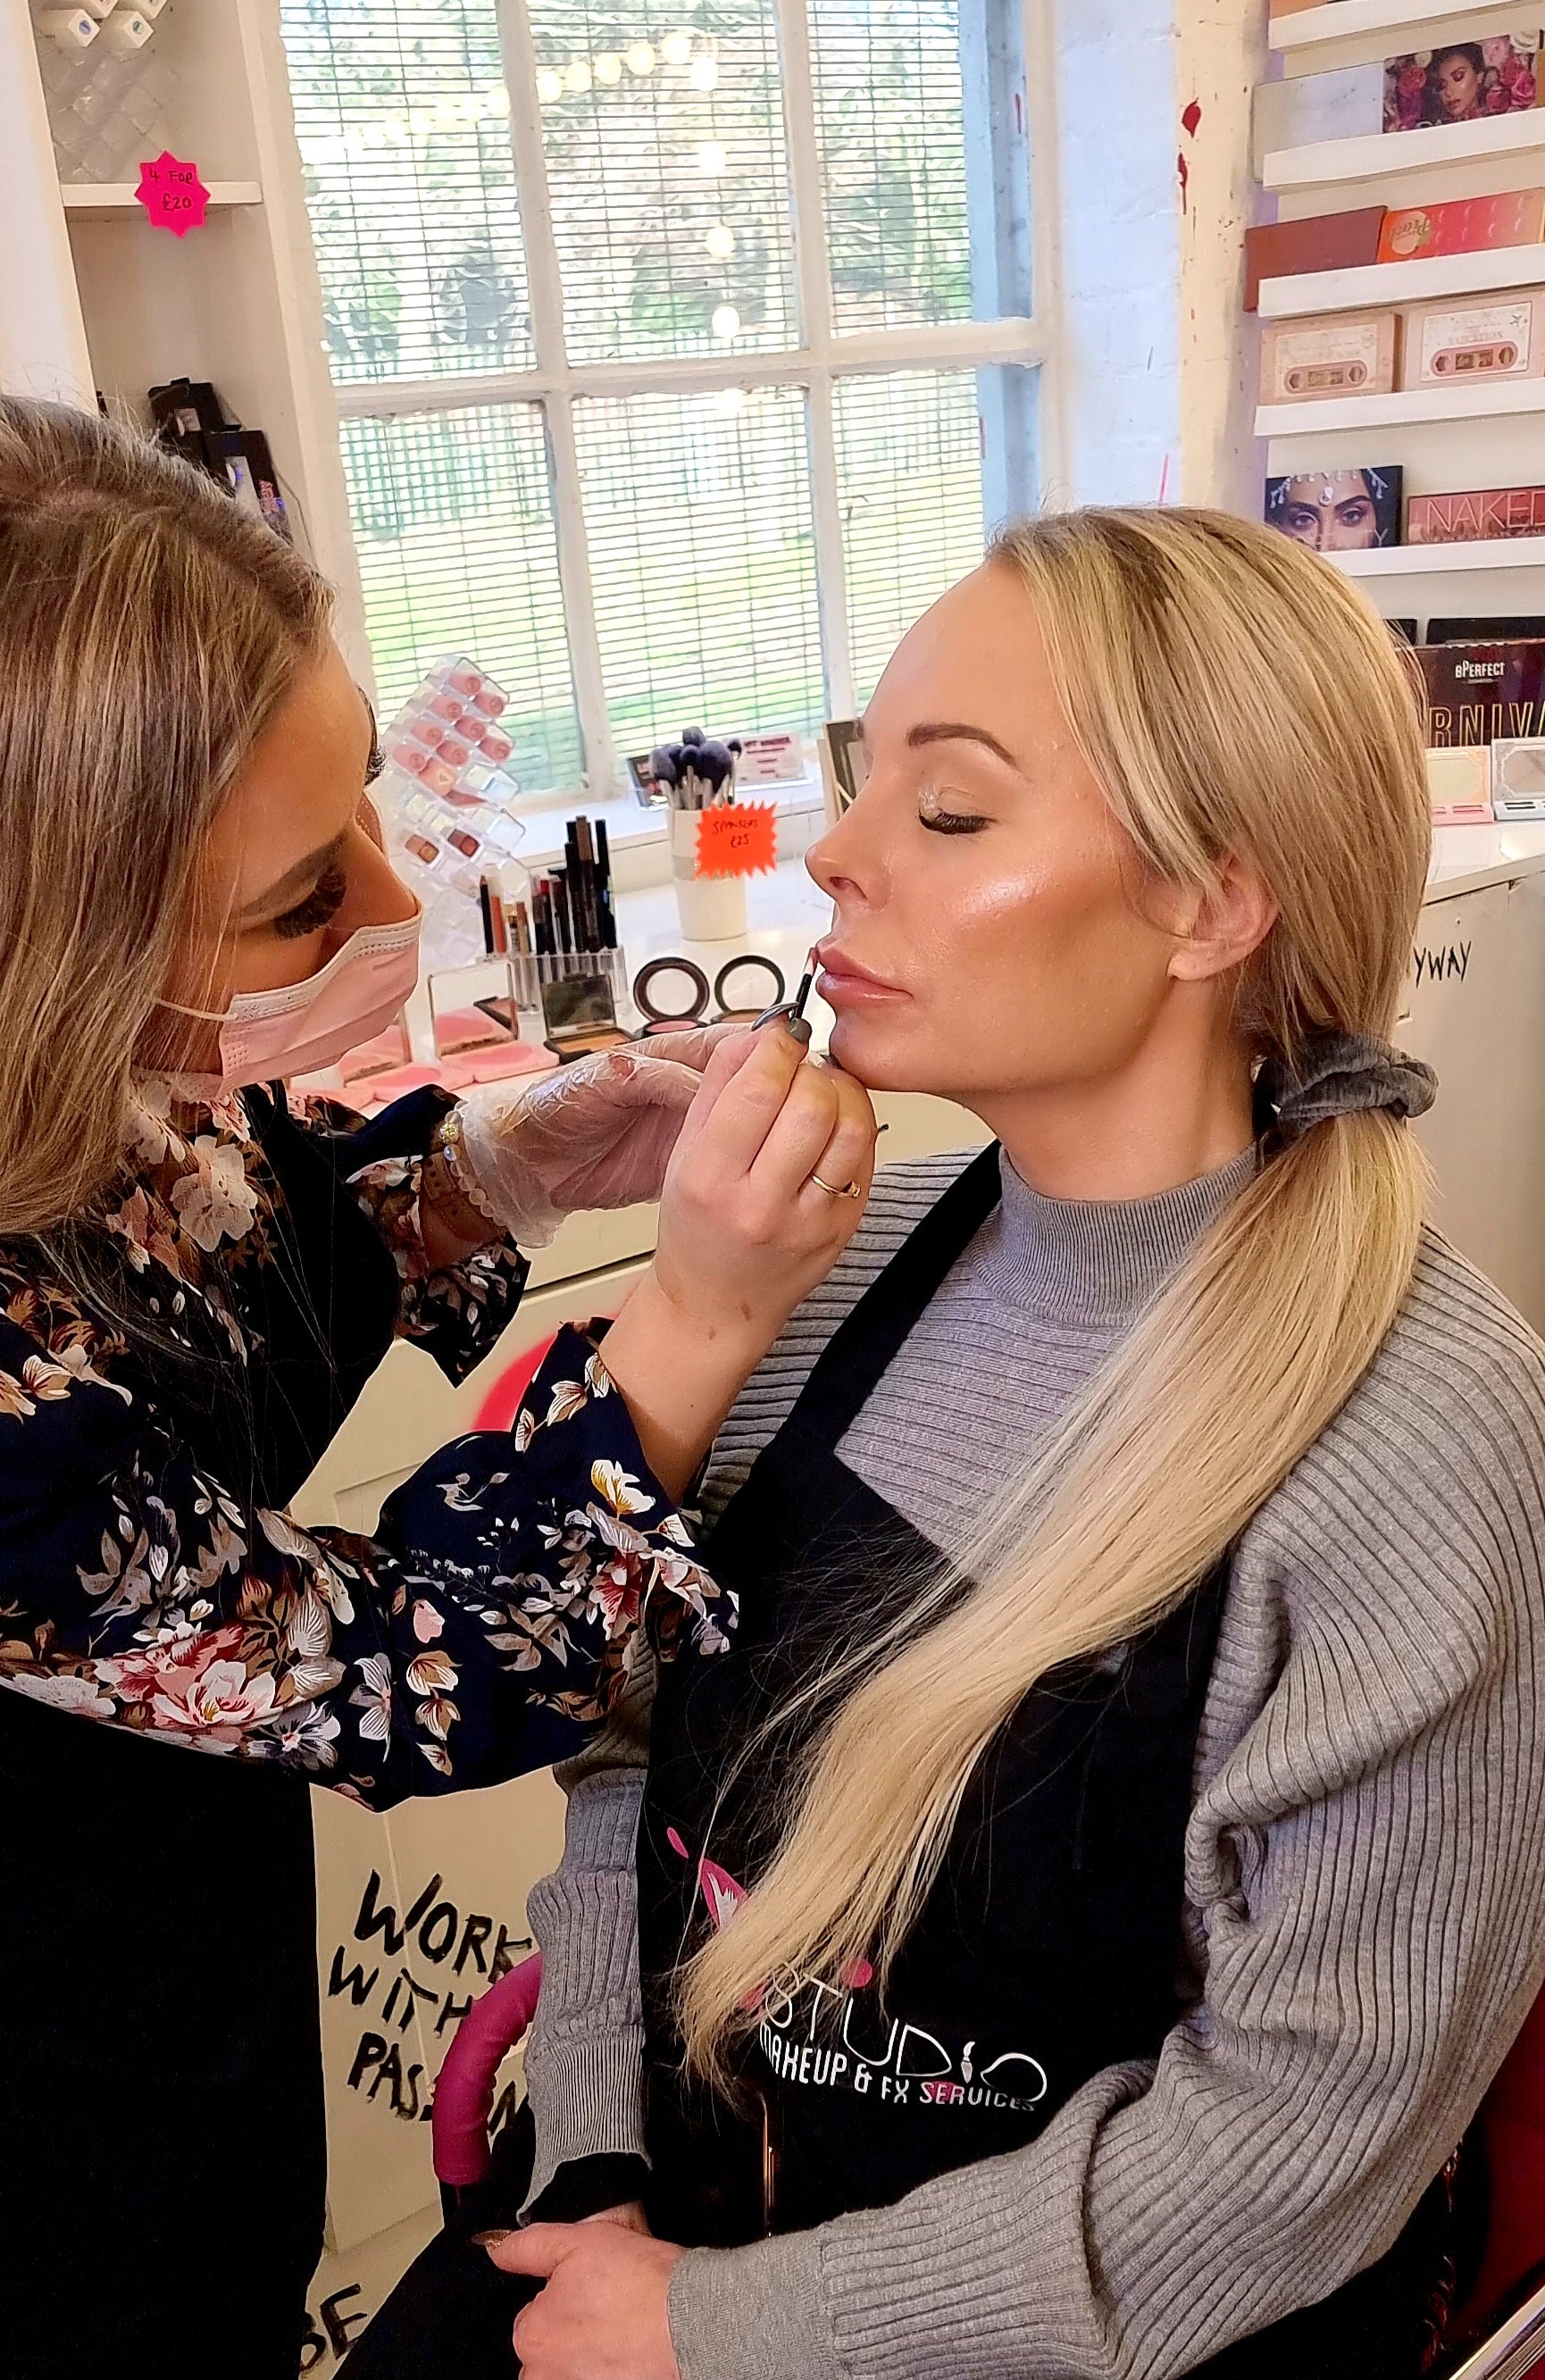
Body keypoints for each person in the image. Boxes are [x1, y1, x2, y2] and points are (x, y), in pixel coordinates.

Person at [347, 505, 1545, 2379]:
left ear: (1209, 904)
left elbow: (1294, 2152)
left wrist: (722, 2330)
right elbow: (628, 1766)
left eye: (952, 809)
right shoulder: (831, 1268)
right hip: (652, 2235)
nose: (832, 853)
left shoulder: (1419, 1437)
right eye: (858, 782)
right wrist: (590, 2157)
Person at [0, 398, 878, 2380]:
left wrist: (490, 1173)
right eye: (299, 900)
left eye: (370, 811)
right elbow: (404, 1669)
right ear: (45, 947)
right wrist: (692, 1323)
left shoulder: (100, 1084)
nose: (397, 910)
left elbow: (204, 1262)